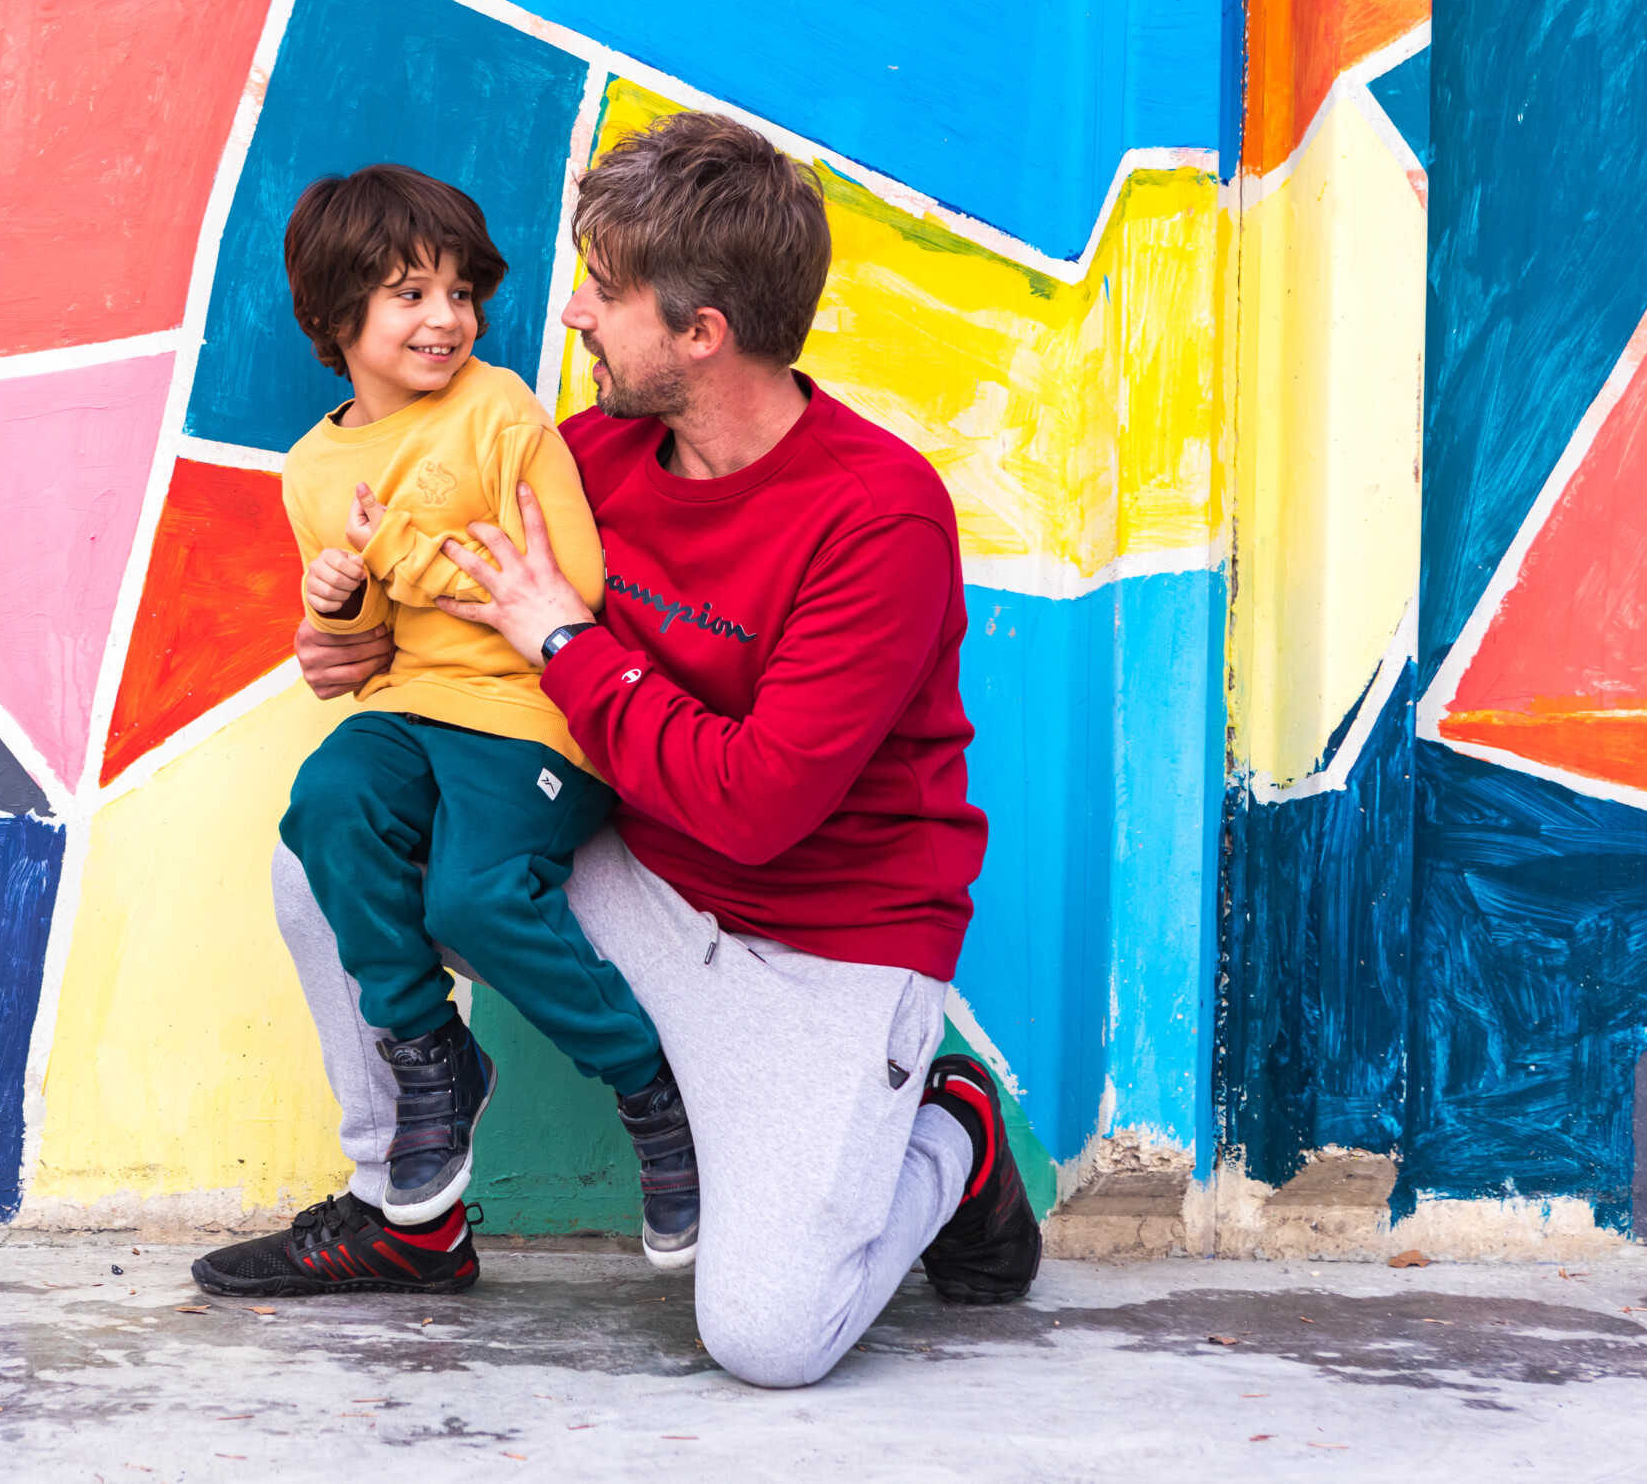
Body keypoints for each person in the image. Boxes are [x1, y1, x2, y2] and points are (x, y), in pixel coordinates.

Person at [193, 116, 1040, 1389]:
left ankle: (948, 1138)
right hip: (635, 885)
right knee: (334, 841)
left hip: (816, 951)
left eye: (606, 286)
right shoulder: (584, 458)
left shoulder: (878, 517)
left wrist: (563, 639)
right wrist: (358, 649)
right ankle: (408, 1215)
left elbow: (755, 807)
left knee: (767, 1339)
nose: (574, 309)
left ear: (701, 334)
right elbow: (449, 623)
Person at [215, 165, 700, 1291]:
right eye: (406, 295)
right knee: (325, 805)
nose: (446, 319)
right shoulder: (312, 466)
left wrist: (392, 551)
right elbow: (369, 635)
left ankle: (646, 1089)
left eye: (457, 293)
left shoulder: (498, 413)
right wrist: (335, 600)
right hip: (411, 712)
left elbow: (563, 579)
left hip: (531, 717)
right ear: (336, 319)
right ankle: (426, 1049)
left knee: (473, 895)